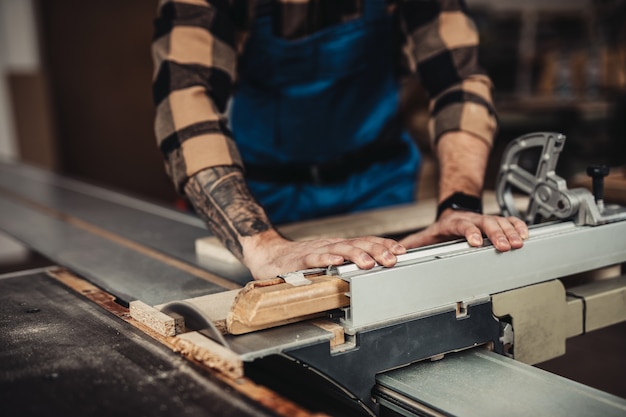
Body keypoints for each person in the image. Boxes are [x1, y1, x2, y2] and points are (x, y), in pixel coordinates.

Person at [152, 0, 528, 280]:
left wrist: (458, 205)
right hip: (266, 192)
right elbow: (186, 97)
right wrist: (261, 245)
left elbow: (457, 80)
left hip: (377, 184)